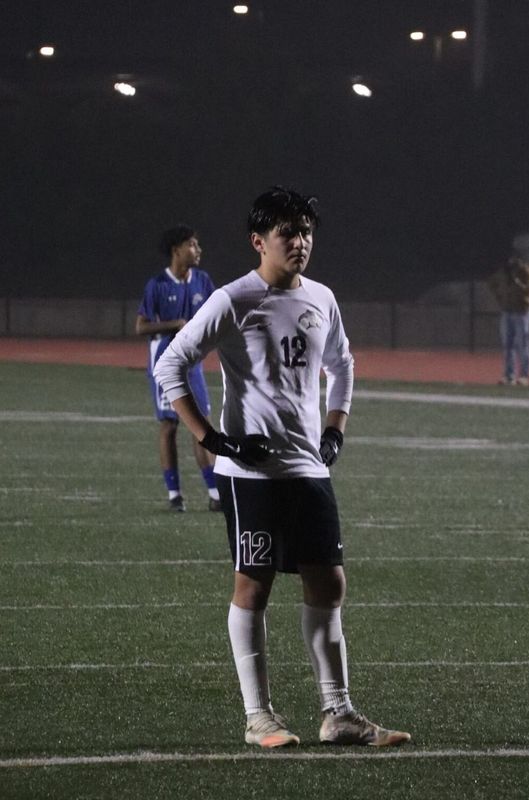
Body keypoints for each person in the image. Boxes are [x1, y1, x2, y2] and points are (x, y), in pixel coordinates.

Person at [154, 187, 411, 748]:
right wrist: (211, 437)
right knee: (253, 585)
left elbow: (343, 364)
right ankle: (259, 717)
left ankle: (338, 714)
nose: (300, 242)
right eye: (288, 233)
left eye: (306, 232)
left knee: (329, 582)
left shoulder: (322, 297)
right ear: (258, 241)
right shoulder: (233, 299)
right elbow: (171, 365)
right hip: (252, 477)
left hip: (309, 470)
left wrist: (336, 427)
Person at [136, 224, 221, 512]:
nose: (198, 250)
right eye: (193, 245)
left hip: (192, 364)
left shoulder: (203, 281)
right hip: (164, 362)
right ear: (177, 250)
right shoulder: (157, 285)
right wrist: (175, 325)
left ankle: (215, 495)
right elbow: (141, 326)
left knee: (202, 426)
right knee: (170, 426)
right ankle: (175, 496)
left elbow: (218, 314)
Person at [488, 253, 529, 386]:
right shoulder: (502, 272)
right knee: (507, 344)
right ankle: (508, 375)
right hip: (507, 311)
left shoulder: (525, 271)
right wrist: (500, 298)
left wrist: (519, 285)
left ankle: (524, 375)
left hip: (521, 311)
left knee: (522, 342)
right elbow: (492, 284)